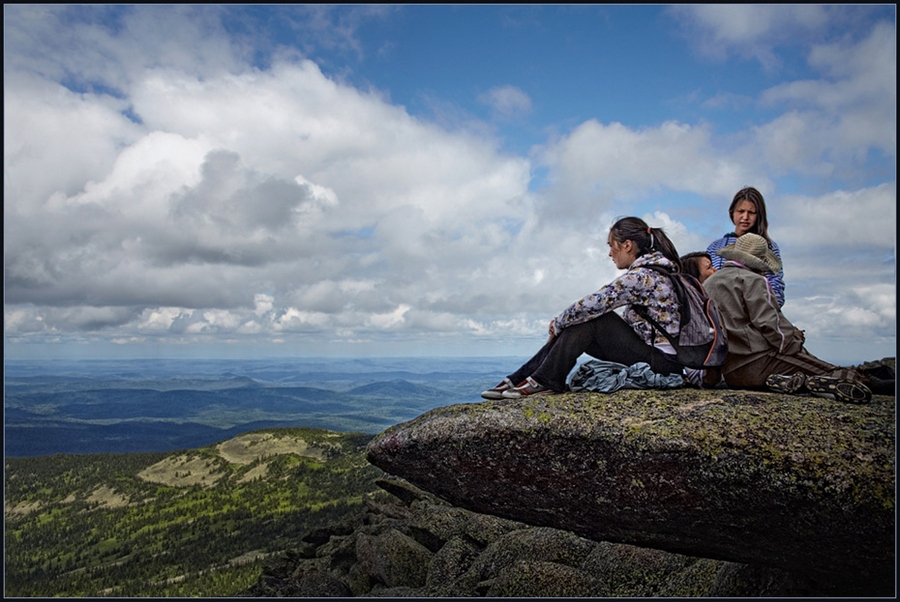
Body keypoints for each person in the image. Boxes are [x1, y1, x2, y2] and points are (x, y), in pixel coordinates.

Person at [482, 217, 685, 400]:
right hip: (661, 358)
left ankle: (542, 380)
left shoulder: (642, 277)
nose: (609, 253)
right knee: (583, 321)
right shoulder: (657, 272)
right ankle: (526, 377)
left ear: (627, 246)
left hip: (662, 363)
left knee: (593, 319)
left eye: (611, 246)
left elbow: (594, 303)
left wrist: (558, 323)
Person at [703, 233, 876, 403]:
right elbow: (771, 324)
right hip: (759, 360)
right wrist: (795, 341)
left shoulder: (708, 284)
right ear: (758, 262)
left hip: (731, 371)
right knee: (832, 371)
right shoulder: (753, 280)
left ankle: (792, 382)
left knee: (797, 371)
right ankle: (853, 381)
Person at [706, 186, 785, 306]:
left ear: (759, 215)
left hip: (757, 314)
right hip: (720, 313)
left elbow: (775, 286)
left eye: (751, 213)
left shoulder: (767, 246)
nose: (745, 217)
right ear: (732, 212)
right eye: (741, 211)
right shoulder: (715, 247)